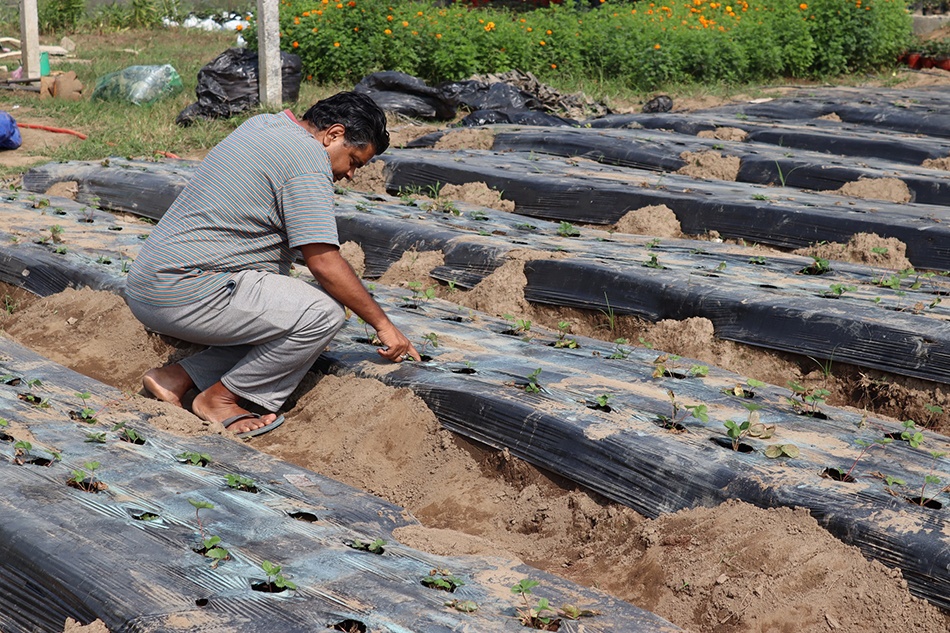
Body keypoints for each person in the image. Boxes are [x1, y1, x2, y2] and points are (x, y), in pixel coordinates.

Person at [125, 91, 420, 438]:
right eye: (354, 160)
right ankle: (219, 399)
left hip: (151, 282)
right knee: (321, 314)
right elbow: (323, 261)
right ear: (334, 135)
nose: (351, 174)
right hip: (185, 289)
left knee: (283, 309)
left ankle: (176, 377)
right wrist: (383, 325)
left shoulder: (265, 124)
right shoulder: (307, 158)